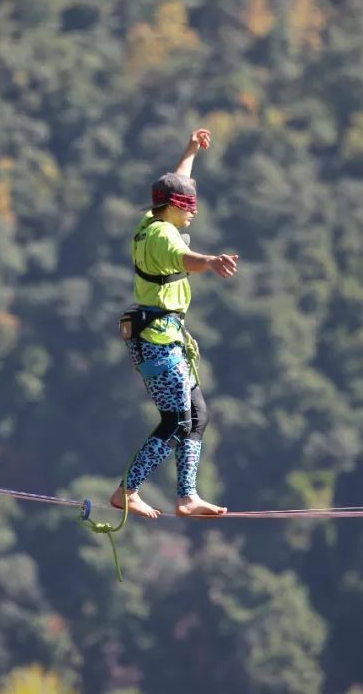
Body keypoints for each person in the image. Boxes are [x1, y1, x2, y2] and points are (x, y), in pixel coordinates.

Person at [111, 128, 239, 519]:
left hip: (165, 338)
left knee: (196, 416)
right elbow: (188, 260)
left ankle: (187, 496)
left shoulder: (150, 219)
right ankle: (127, 490)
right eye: (188, 203)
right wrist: (212, 261)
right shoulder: (165, 237)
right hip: (158, 342)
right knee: (176, 421)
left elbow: (175, 181)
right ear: (171, 206)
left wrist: (191, 151)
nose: (193, 210)